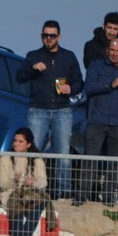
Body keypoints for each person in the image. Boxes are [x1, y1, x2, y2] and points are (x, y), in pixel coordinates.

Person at [16, 20, 83, 199]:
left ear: (59, 37)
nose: (49, 38)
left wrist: (71, 88)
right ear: (41, 36)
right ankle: (29, 188)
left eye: (52, 35)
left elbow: (79, 81)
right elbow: (20, 77)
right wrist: (32, 68)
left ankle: (64, 193)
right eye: (45, 35)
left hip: (63, 110)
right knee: (32, 151)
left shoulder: (69, 57)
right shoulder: (33, 56)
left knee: (63, 154)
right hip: (38, 110)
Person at [76, 38, 118, 207]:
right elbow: (89, 87)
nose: (114, 53)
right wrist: (109, 84)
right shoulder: (96, 66)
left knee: (114, 161)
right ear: (107, 50)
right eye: (112, 50)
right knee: (90, 159)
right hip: (97, 120)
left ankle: (108, 197)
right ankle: (82, 196)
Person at [0, 127, 49, 236]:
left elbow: (43, 182)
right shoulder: (6, 158)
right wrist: (15, 180)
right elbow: (3, 184)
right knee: (17, 207)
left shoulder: (37, 160)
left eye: (20, 141)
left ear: (28, 144)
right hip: (12, 194)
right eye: (15, 141)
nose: (16, 144)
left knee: (39, 204)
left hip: (30, 195)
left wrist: (33, 183)